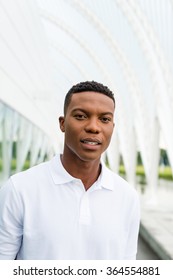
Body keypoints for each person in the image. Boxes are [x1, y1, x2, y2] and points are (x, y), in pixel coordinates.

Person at [0, 81, 140, 260]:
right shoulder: (19, 190)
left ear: (112, 127)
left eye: (104, 119)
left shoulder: (127, 197)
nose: (94, 127)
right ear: (62, 123)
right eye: (81, 116)